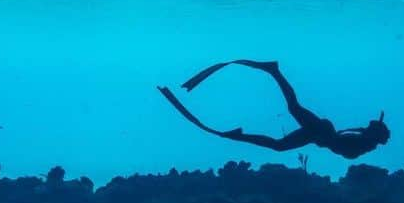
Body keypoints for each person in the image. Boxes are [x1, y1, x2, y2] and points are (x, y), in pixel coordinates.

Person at [158, 60, 390, 160]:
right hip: (319, 132)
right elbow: (339, 143)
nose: (368, 126)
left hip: (318, 134)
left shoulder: (364, 143)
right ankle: (274, 71)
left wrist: (329, 140)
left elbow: (342, 144)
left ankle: (239, 134)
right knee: (292, 109)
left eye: (371, 128)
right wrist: (328, 140)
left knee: (280, 143)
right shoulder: (363, 141)